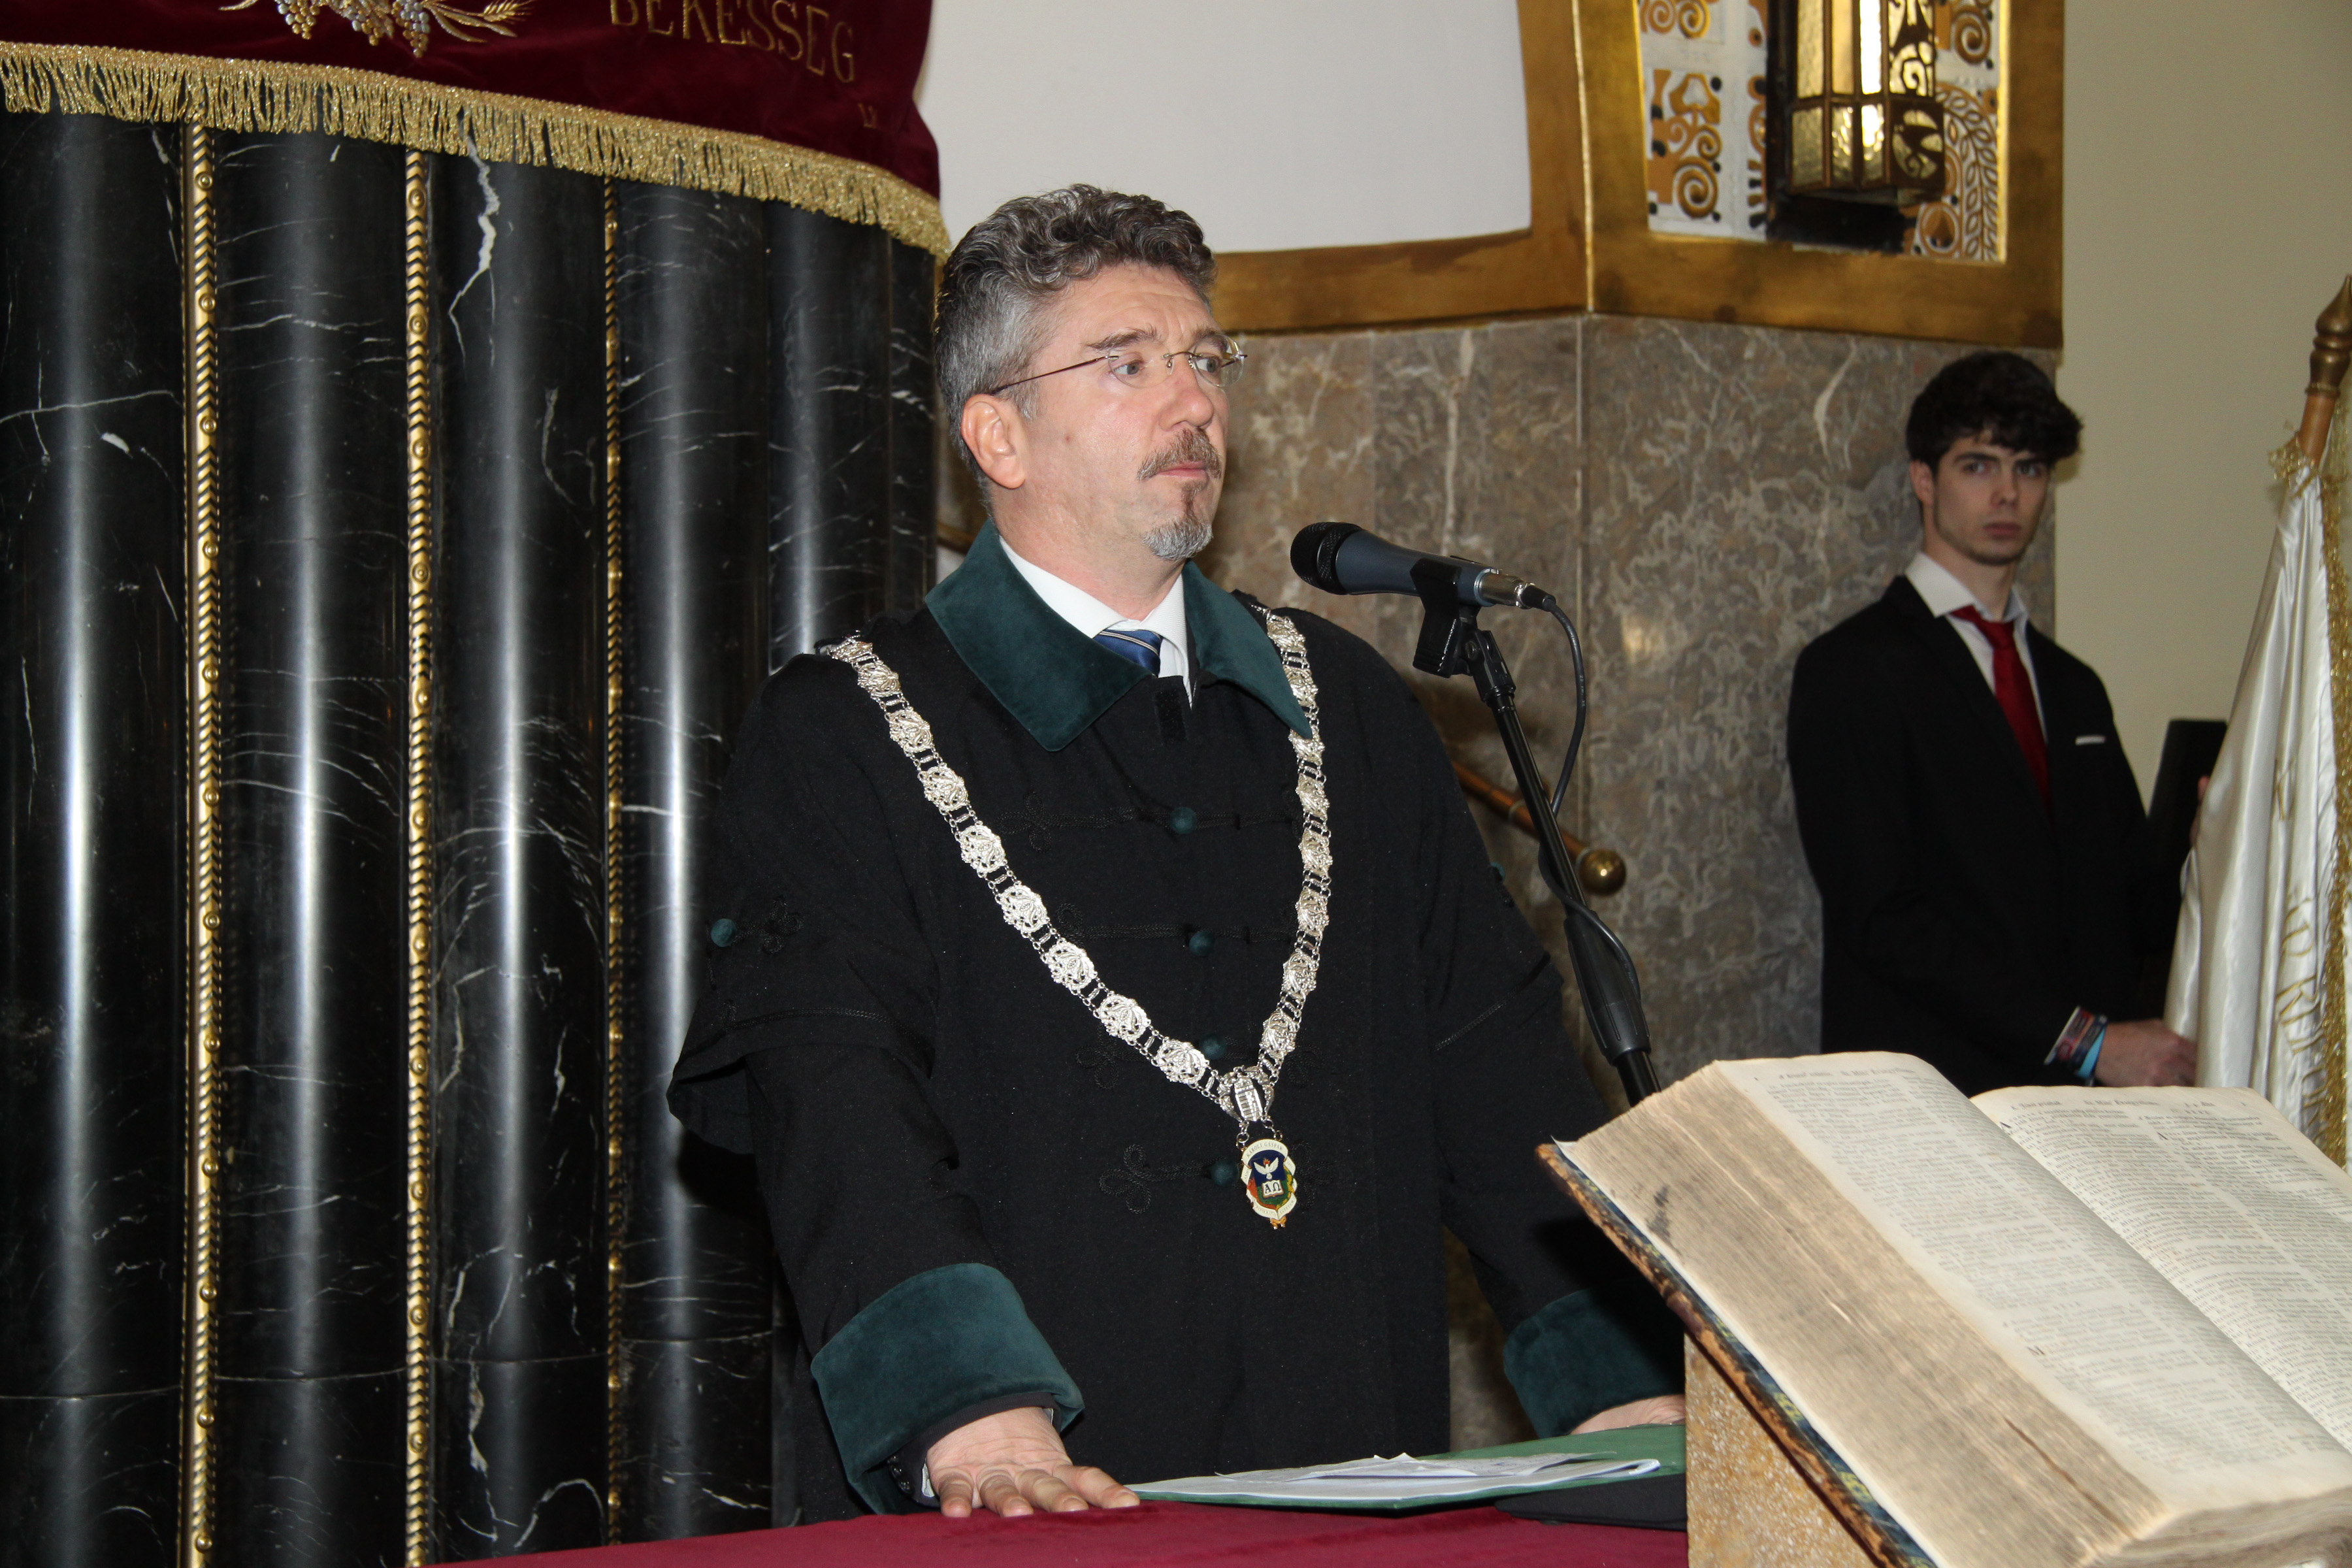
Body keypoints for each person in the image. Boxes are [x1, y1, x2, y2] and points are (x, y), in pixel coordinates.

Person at [667, 186, 1682, 1523]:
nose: (1194, 398)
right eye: (1126, 363)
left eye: (1206, 357)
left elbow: (1495, 1065)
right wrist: (970, 1408)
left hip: (1351, 1444)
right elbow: (835, 1096)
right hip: (1042, 1482)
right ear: (997, 434)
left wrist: (1623, 1387)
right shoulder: (845, 728)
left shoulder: (1349, 708)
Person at [1786, 351, 2193, 1096]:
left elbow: (2130, 899)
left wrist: (2216, 849)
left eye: (2029, 469)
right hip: (1931, 1101)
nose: (2007, 493)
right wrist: (2086, 1042)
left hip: (2085, 1111)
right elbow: (1883, 920)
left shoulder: (2073, 687)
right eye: (1978, 466)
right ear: (1924, 480)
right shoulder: (1852, 669)